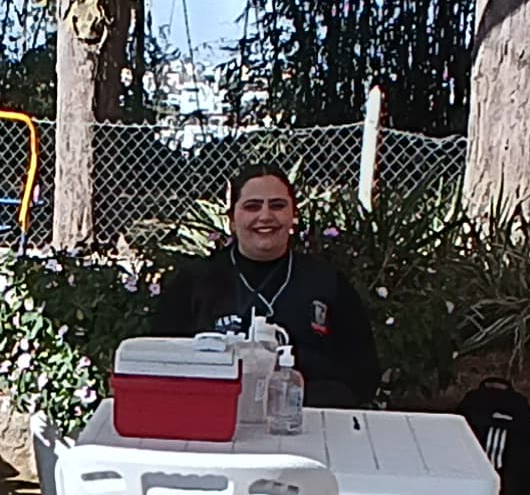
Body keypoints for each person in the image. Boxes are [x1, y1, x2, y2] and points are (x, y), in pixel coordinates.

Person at [147, 163, 380, 408]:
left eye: (277, 206)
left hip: (307, 420)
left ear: (293, 215)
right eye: (252, 206)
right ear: (232, 220)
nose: (265, 216)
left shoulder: (329, 283)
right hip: (216, 417)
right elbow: (163, 366)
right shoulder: (192, 283)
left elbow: (362, 377)